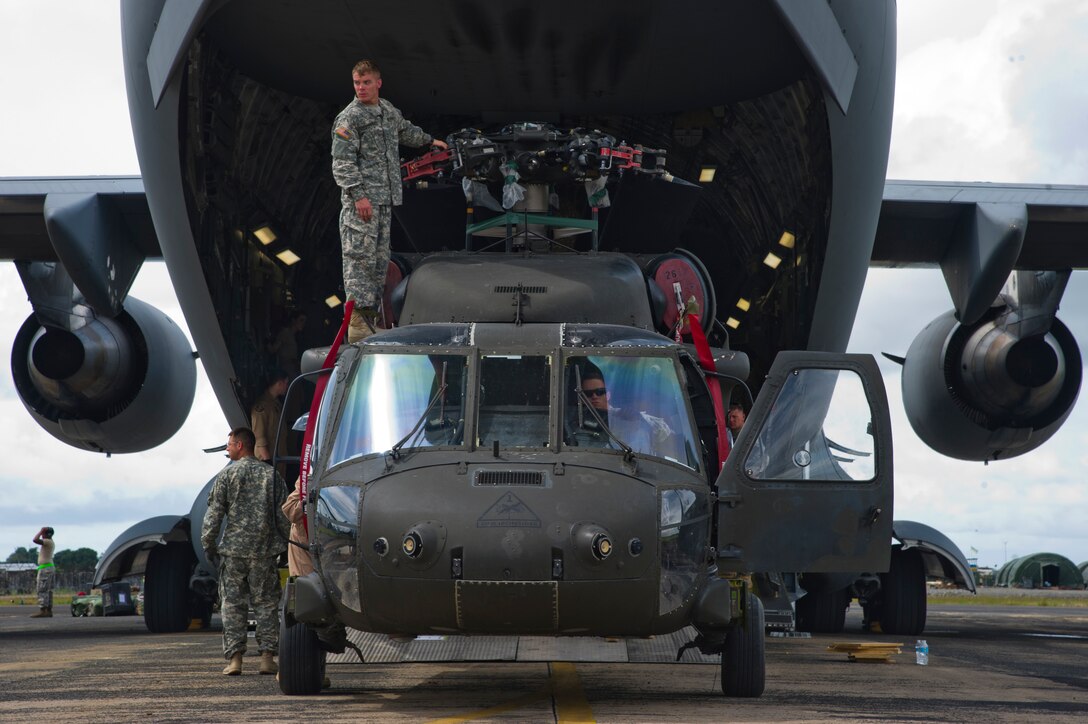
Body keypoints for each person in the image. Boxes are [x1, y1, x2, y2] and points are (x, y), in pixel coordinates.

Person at [331, 59, 448, 342]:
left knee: (379, 262)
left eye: (366, 82)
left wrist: (430, 142)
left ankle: (369, 319)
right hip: (363, 204)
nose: (361, 88)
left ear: (378, 83)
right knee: (359, 259)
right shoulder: (350, 118)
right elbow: (342, 162)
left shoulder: (386, 111)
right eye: (357, 83)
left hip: (383, 202)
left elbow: (406, 130)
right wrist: (359, 196)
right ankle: (357, 322)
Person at [201, 427, 290, 676]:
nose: (227, 448)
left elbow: (214, 515)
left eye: (229, 444)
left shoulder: (226, 476)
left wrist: (208, 544)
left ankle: (235, 660)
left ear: (240, 445)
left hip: (234, 553)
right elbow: (284, 516)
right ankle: (267, 659)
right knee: (266, 605)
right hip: (264, 552)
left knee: (232, 606)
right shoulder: (271, 476)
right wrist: (287, 546)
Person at [251, 371, 289, 465]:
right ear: (279, 383)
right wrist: (268, 463)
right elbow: (259, 439)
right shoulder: (261, 407)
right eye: (286, 383)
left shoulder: (275, 402)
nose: (287, 386)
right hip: (268, 459)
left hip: (278, 456)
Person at [270, 311, 306, 379]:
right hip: (286, 370)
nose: (303, 323)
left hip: (293, 369)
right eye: (301, 320)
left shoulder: (296, 336)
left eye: (304, 321)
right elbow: (273, 349)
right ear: (293, 320)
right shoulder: (285, 333)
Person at [30, 526, 55, 618]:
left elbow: (35, 540)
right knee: (48, 590)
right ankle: (48, 610)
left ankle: (43, 610)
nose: (42, 535)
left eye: (44, 533)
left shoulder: (47, 542)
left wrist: (40, 531)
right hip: (49, 568)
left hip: (45, 569)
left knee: (42, 589)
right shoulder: (50, 542)